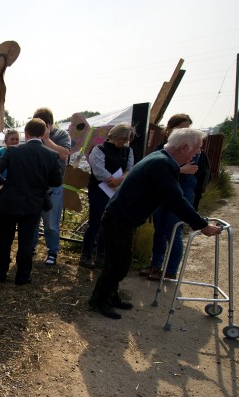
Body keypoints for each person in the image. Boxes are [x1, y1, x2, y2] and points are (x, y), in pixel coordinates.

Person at [88, 128, 222, 319]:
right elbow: (176, 199)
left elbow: (173, 198)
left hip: (120, 217)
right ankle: (99, 300)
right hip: (119, 219)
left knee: (116, 260)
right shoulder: (162, 164)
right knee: (119, 262)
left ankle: (110, 296)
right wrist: (202, 225)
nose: (198, 154)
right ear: (184, 147)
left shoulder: (161, 158)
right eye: (197, 149)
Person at [140, 114, 210, 280]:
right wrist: (180, 169)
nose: (184, 131)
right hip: (161, 195)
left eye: (187, 128)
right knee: (159, 231)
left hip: (181, 196)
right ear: (170, 128)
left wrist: (177, 170)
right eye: (181, 128)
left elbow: (187, 173)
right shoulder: (162, 147)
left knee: (173, 231)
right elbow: (158, 171)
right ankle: (155, 265)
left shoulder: (194, 149)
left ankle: (170, 271)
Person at [0, 118, 62, 285]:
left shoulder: (13, 151)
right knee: (26, 242)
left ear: (25, 133)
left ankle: (0, 274)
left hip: (8, 202)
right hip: (33, 204)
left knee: (5, 240)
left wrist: (4, 185)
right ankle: (23, 276)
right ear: (43, 134)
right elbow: (56, 182)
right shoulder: (51, 155)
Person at [80, 123, 137, 268]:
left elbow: (129, 169)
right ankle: (86, 254)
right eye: (121, 139)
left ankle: (102, 255)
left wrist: (120, 179)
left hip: (115, 191)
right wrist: (111, 179)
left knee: (109, 223)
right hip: (98, 190)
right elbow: (98, 170)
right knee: (95, 223)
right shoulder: (99, 149)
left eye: (126, 139)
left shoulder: (127, 151)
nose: (123, 142)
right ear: (114, 135)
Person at [31, 108, 71, 266]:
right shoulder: (34, 134)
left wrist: (47, 140)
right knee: (32, 220)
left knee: (51, 223)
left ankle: (52, 251)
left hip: (53, 186)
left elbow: (64, 154)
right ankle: (31, 248)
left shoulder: (61, 135)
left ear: (49, 124)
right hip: (34, 185)